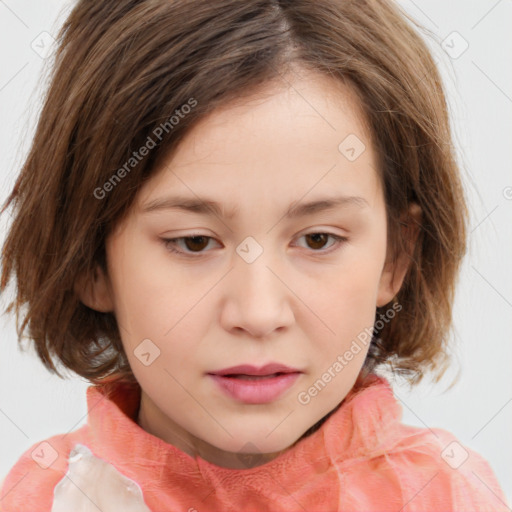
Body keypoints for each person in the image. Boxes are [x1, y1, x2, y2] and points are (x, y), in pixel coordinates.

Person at [0, 0, 509, 510]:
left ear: (396, 257)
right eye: (194, 242)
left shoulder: (446, 496)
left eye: (317, 240)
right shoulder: (42, 499)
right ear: (91, 258)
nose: (259, 313)